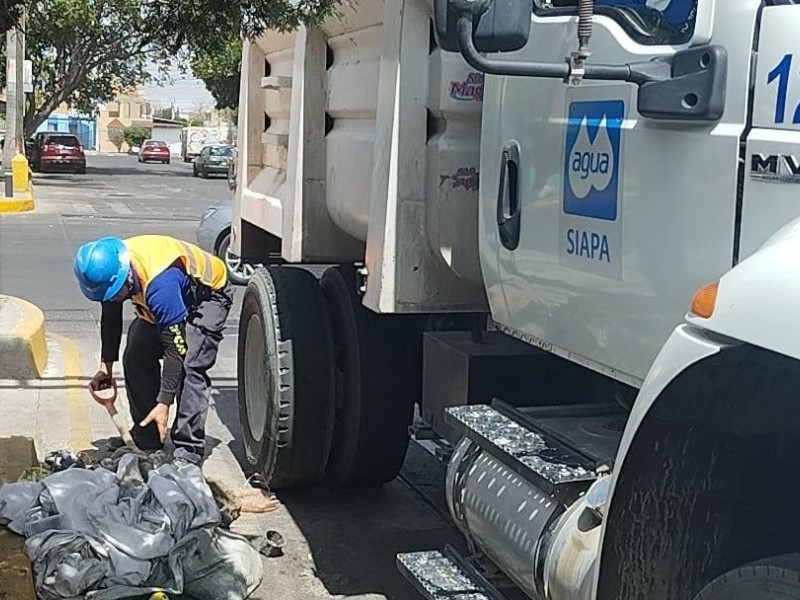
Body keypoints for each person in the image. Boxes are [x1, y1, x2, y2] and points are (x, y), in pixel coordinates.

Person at [73, 234, 233, 465]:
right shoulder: (110, 269)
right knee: (136, 356)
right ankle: (148, 435)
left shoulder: (160, 287)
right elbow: (110, 316)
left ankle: (188, 449)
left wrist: (163, 402)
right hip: (169, 295)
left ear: (125, 277)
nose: (114, 299)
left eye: (116, 293)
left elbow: (175, 349)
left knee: (190, 367)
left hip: (207, 295)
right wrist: (105, 368)